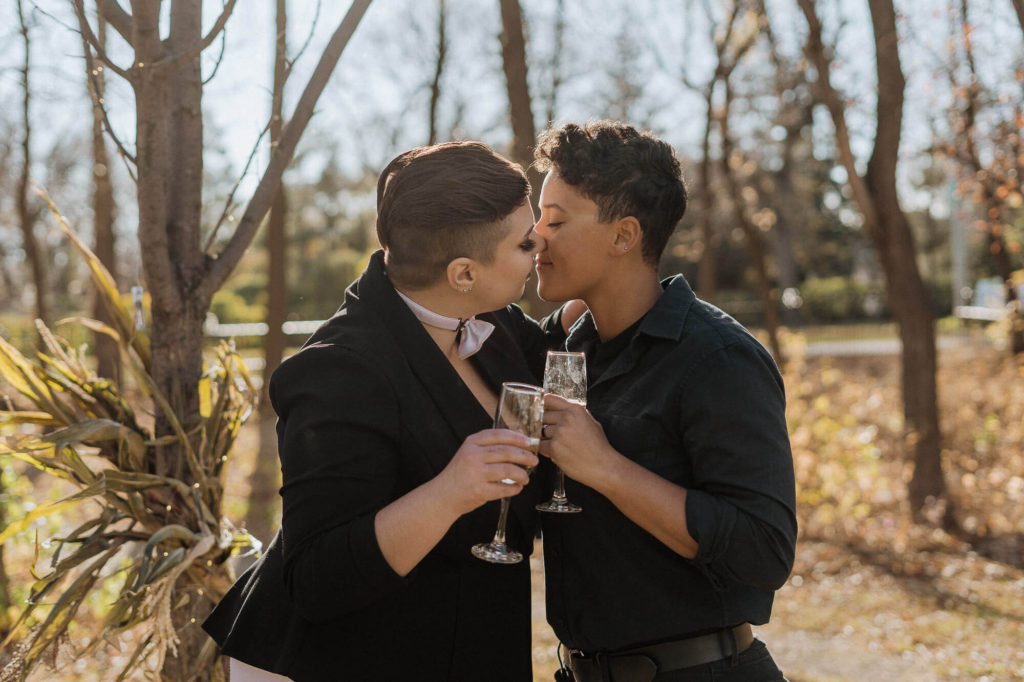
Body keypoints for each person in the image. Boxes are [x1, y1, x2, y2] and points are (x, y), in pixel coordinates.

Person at [203, 141, 559, 681]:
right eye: (525, 241)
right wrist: (450, 491)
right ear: (463, 273)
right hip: (337, 659)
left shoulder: (498, 327)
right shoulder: (337, 372)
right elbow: (317, 579)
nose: (540, 247)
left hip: (464, 642)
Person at [532, 121, 797, 682]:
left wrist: (606, 468)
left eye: (555, 220)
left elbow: (764, 552)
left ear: (624, 236)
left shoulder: (719, 358)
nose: (536, 236)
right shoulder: (569, 349)